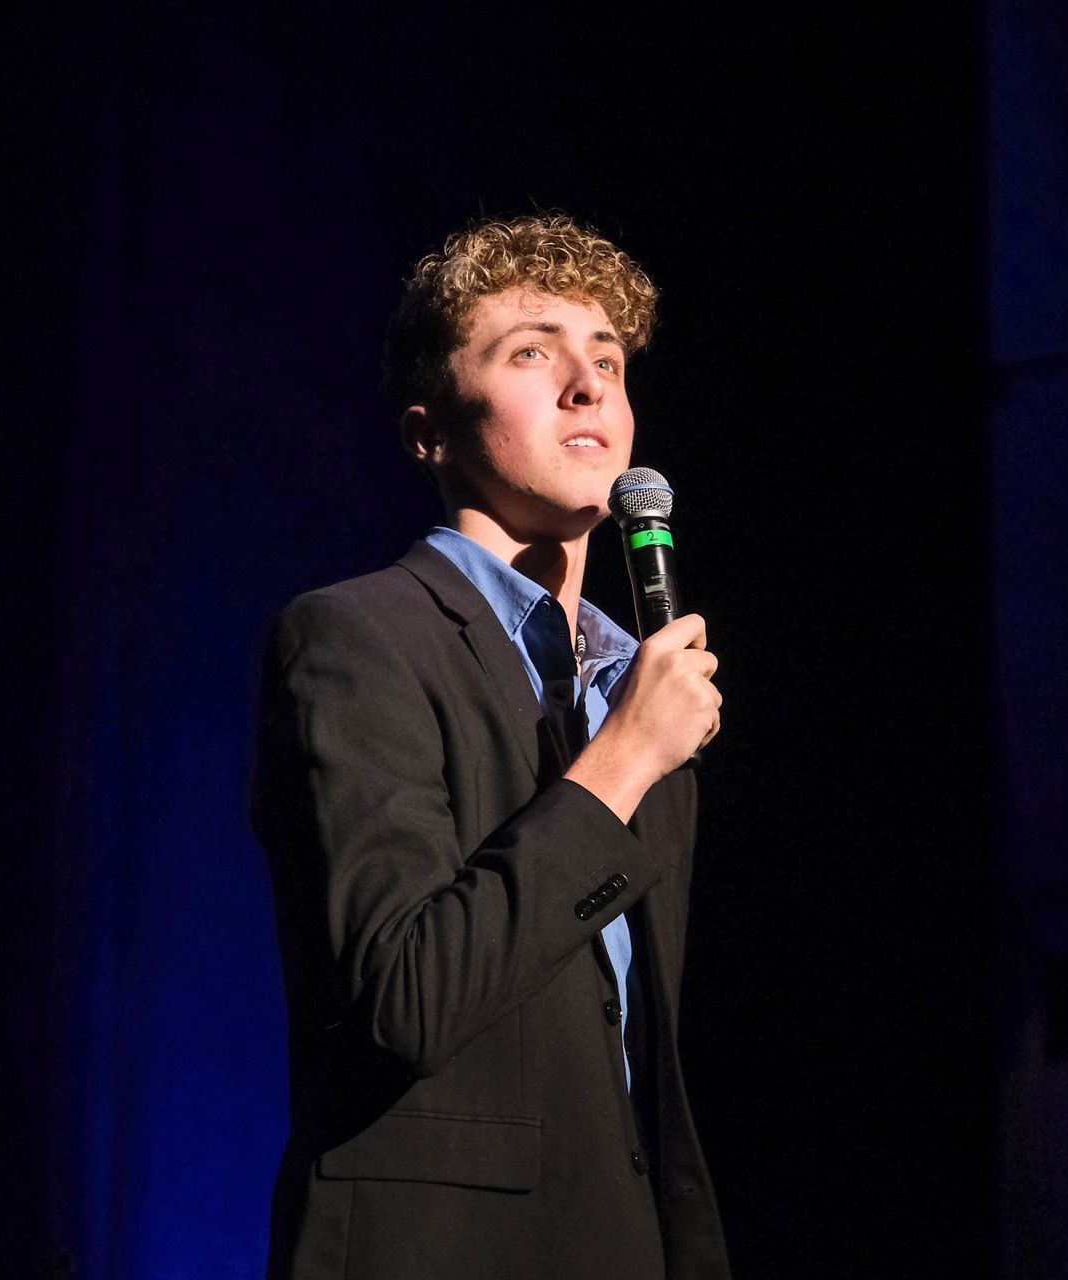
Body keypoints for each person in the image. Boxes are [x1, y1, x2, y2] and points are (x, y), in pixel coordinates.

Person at [252, 213, 730, 1279]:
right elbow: (406, 997)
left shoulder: (635, 684)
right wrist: (620, 764)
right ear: (428, 430)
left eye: (606, 359)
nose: (587, 384)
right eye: (532, 352)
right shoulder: (357, 637)